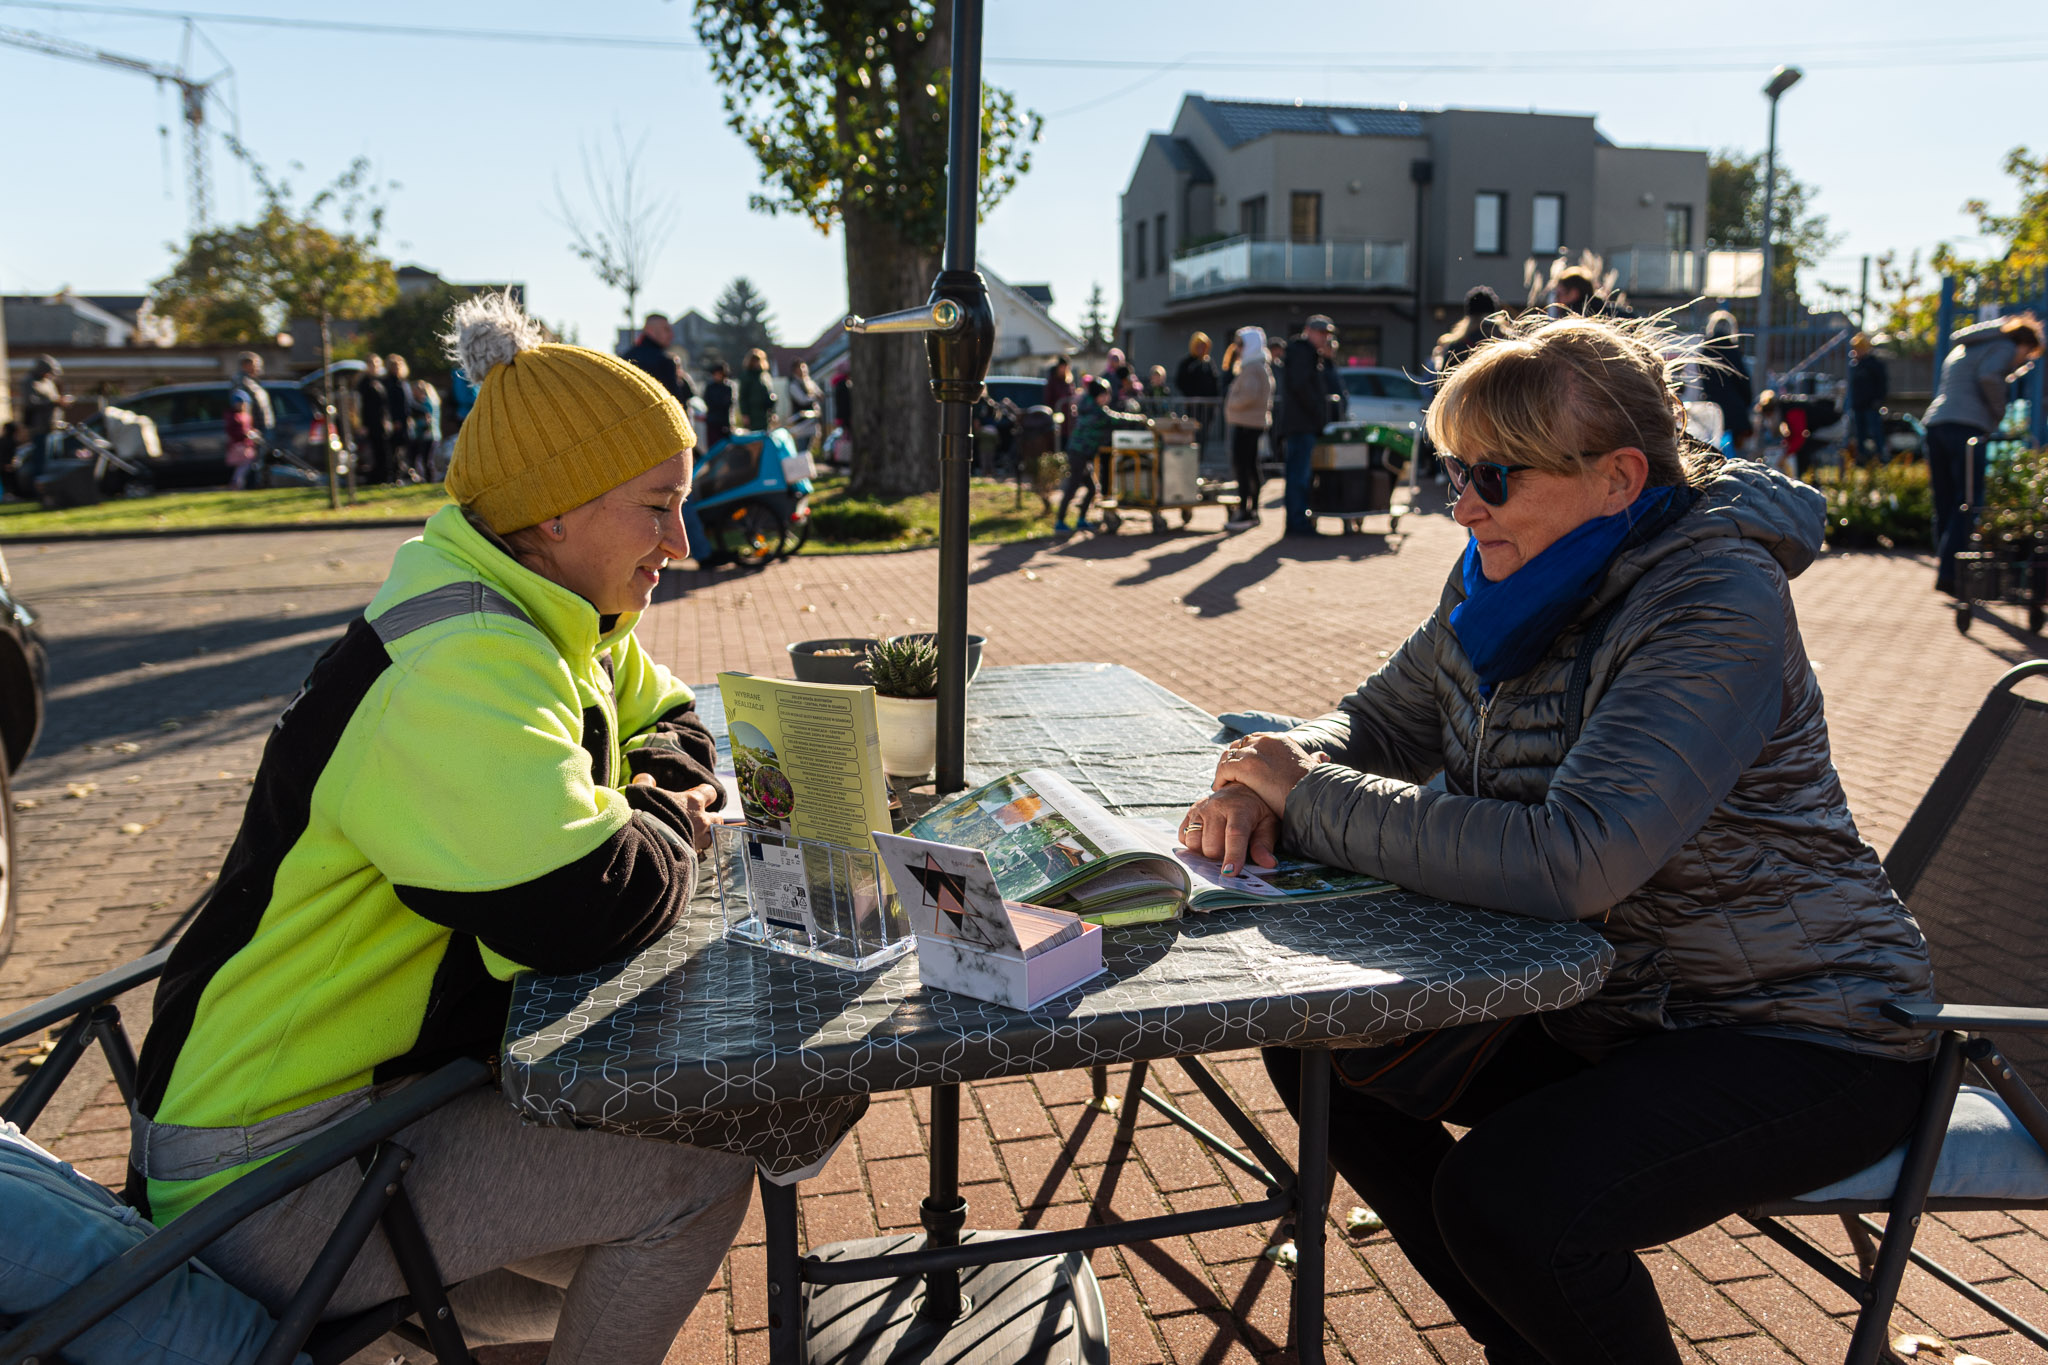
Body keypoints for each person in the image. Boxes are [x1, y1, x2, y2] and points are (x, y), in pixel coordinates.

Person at [1178, 312, 1936, 1365]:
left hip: (1806, 1032)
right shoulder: (1506, 572)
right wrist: (1269, 779)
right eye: (1451, 469)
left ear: (1619, 478)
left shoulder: (1711, 596)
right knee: (1323, 1046)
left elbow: (1573, 858)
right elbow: (1382, 721)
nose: (1460, 504)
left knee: (1507, 1197)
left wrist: (1304, 795)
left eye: (1494, 476)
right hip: (1617, 1005)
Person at [130, 291, 755, 1364]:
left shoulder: (550, 607)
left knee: (618, 1221)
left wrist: (656, 793)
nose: (681, 542)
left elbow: (675, 716)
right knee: (693, 1180)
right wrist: (670, 810)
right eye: (657, 506)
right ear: (555, 508)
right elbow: (589, 904)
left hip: (354, 1114)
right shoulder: (464, 660)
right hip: (263, 1173)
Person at [1923, 313, 2042, 595]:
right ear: (2024, 343)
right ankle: (1952, 574)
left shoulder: (1967, 345)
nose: (2023, 361)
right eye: (2027, 354)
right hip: (1966, 429)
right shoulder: (2003, 347)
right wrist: (1999, 412)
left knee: (1945, 501)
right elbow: (1989, 376)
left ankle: (1947, 569)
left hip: (1937, 424)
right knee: (1968, 501)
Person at [1277, 315, 1348, 536]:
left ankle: (1298, 521)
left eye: (1327, 334)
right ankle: (1297, 523)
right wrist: (1317, 411)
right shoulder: (1301, 352)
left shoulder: (1310, 354)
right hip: (1301, 425)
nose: (1324, 337)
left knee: (1301, 476)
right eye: (1320, 333)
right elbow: (1301, 387)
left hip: (1304, 424)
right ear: (1308, 330)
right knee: (1299, 476)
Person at [1056, 376, 1149, 533]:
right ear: (1099, 396)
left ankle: (1080, 520)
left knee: (1092, 488)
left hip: (1082, 453)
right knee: (1073, 487)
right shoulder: (1097, 412)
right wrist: (1139, 419)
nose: (1108, 398)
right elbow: (1117, 419)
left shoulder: (1087, 406)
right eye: (1106, 394)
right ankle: (1060, 522)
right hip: (1079, 453)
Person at [1223, 326, 1272, 532]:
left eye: (1241, 344)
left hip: (1247, 424)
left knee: (1244, 467)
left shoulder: (1254, 368)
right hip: (1250, 423)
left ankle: (1246, 509)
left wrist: (1231, 402)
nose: (1238, 349)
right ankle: (1250, 510)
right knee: (1250, 466)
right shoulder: (1255, 366)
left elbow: (1250, 395)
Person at [1697, 311, 1753, 454]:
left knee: (1712, 450)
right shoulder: (1732, 350)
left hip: (1712, 409)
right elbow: (1744, 381)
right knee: (1734, 455)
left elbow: (1702, 383)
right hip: (1734, 412)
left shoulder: (1704, 351)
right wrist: (1747, 403)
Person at [621, 314, 696, 409]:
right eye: (666, 329)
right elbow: (676, 404)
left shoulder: (626, 358)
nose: (671, 335)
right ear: (650, 330)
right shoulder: (664, 361)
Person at [1432, 286, 1503, 378]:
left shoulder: (1458, 347)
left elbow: (1442, 384)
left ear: (1469, 318)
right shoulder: (1507, 343)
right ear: (1495, 315)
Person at [1847, 333, 1889, 464]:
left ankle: (1881, 457)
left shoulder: (1874, 364)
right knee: (1860, 434)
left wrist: (1878, 400)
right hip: (1858, 405)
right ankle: (1862, 458)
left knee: (1876, 432)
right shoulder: (1855, 365)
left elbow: (1882, 383)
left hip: (1871, 405)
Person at [354, 355, 395, 484]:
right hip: (369, 422)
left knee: (384, 450)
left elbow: (385, 404)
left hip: (381, 421)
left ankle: (386, 477)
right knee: (374, 451)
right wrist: (361, 424)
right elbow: (359, 405)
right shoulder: (364, 383)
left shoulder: (380, 381)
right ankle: (375, 478)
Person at [384, 356, 415, 480]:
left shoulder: (403, 383)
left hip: (404, 419)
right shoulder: (389, 383)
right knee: (395, 448)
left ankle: (404, 471)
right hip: (396, 420)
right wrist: (394, 420)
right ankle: (395, 474)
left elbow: (408, 403)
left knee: (405, 447)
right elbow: (390, 404)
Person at [232, 351, 275, 435]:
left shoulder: (253, 381)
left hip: (264, 426)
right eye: (256, 365)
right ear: (246, 365)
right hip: (255, 428)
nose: (259, 369)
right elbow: (240, 405)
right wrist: (248, 427)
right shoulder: (241, 381)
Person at [223, 391, 259, 490]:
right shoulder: (235, 417)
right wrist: (246, 434)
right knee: (244, 464)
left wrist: (253, 432)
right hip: (239, 445)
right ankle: (237, 482)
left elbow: (248, 428)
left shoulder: (245, 416)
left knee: (244, 465)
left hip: (246, 445)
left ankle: (239, 482)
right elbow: (236, 431)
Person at [410, 376, 443, 481]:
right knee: (427, 459)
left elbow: (427, 420)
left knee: (427, 460)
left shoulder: (426, 403)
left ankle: (429, 479)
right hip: (433, 434)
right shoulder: (433, 402)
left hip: (428, 435)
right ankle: (428, 478)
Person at [1174, 331, 1219, 401]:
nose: (1201, 348)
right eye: (1198, 346)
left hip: (1209, 403)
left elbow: (1215, 380)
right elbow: (1180, 381)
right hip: (1193, 404)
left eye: (1203, 346)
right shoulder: (1187, 362)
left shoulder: (1209, 362)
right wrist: (1190, 395)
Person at [738, 349, 773, 432]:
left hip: (764, 413)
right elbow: (743, 397)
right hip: (752, 413)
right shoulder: (746, 376)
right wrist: (745, 414)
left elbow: (769, 393)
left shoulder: (764, 376)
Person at [704, 361, 734, 448]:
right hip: (713, 422)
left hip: (724, 422)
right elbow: (708, 402)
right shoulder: (710, 387)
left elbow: (728, 404)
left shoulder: (728, 388)